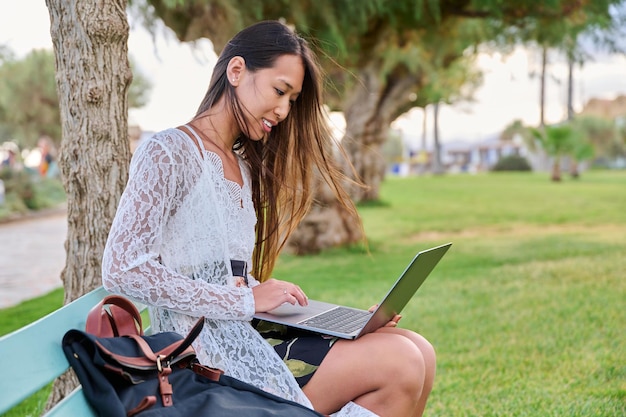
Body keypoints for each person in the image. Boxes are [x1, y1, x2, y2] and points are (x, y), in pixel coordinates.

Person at [102, 20, 435, 417]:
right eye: (280, 91)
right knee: (403, 362)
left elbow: (224, 276)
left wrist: (335, 322)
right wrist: (244, 298)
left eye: (292, 100)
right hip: (203, 360)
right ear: (237, 71)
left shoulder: (241, 168)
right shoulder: (168, 151)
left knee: (419, 350)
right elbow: (122, 269)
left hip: (246, 338)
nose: (282, 110)